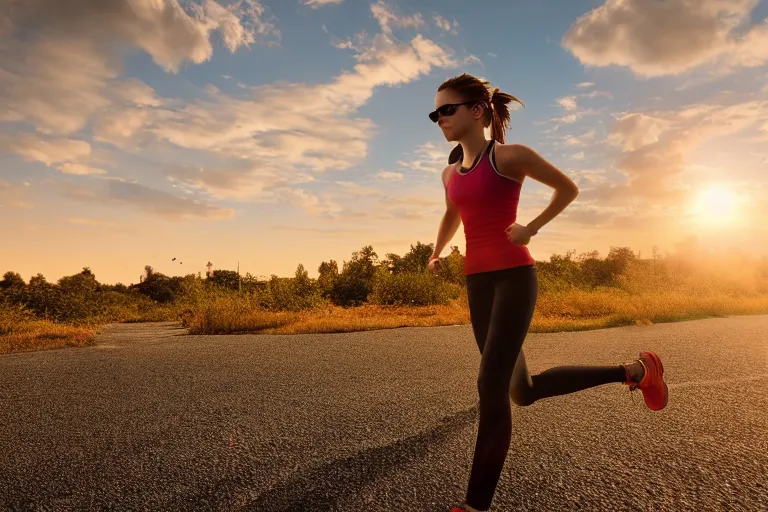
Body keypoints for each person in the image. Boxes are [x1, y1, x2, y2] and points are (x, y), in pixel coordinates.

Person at [425, 73, 669, 512]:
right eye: (435, 112)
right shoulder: (448, 174)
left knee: (490, 385)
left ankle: (474, 505)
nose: (438, 117)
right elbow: (451, 214)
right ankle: (637, 371)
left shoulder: (510, 157)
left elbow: (567, 188)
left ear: (476, 111)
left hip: (515, 278)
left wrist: (531, 228)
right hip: (477, 282)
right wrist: (435, 251)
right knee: (522, 390)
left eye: (447, 109)